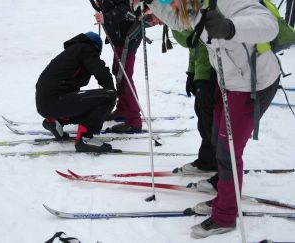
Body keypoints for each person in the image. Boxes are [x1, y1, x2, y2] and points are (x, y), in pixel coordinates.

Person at [146, 0, 281, 238]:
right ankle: (225, 195)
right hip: (228, 82)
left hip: (253, 84)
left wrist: (229, 27)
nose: (172, 3)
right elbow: (178, 20)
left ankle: (226, 216)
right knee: (218, 142)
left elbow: (268, 25)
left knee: (228, 151)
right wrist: (153, 4)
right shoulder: (197, 3)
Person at [35, 32, 117, 153]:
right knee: (108, 96)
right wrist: (111, 92)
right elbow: (101, 71)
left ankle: (55, 122)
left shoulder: (72, 52)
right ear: (96, 47)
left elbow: (73, 93)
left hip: (46, 103)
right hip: (54, 101)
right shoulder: (85, 48)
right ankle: (85, 139)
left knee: (87, 104)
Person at [170, 29, 217, 176]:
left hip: (211, 71)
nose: (154, 23)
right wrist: (191, 72)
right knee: (203, 120)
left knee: (209, 121)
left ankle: (216, 162)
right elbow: (193, 46)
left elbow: (202, 44)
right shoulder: (174, 19)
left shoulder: (180, 14)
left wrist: (202, 76)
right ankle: (208, 159)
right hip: (202, 71)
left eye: (152, 18)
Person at [94, 0, 143, 133]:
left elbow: (125, 9)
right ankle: (122, 109)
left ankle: (134, 121)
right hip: (118, 36)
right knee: (118, 72)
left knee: (124, 76)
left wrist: (106, 17)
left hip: (128, 35)